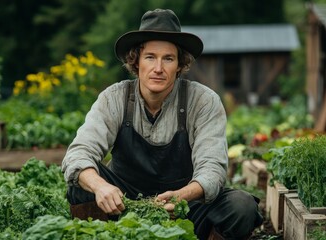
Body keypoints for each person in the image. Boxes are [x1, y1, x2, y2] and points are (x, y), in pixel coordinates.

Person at [62, 8, 263, 240]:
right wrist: (100, 187)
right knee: (82, 182)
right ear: (136, 61)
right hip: (123, 206)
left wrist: (181, 196)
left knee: (241, 206)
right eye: (150, 57)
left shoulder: (203, 101)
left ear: (180, 64)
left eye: (168, 58)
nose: (158, 68)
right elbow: (78, 154)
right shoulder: (114, 98)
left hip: (185, 208)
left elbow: (213, 170)